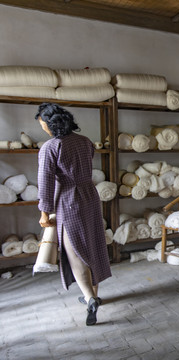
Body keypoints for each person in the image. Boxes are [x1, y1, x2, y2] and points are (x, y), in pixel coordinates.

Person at [36, 103, 111, 326]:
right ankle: (94, 294)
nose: (42, 128)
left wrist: (44, 212)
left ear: (51, 124)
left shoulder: (50, 147)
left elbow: (45, 182)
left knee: (74, 251)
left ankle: (90, 299)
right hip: (90, 195)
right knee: (93, 243)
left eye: (42, 124)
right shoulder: (85, 141)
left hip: (68, 200)